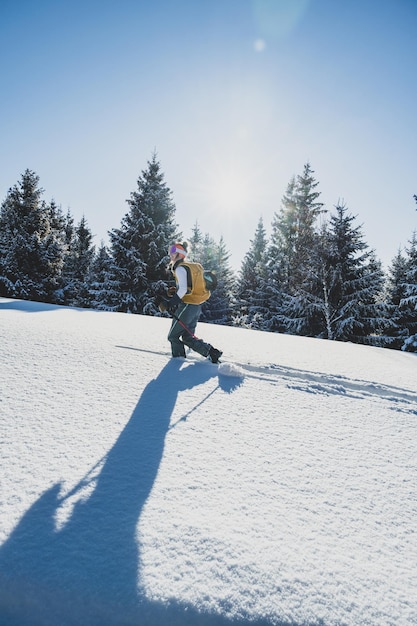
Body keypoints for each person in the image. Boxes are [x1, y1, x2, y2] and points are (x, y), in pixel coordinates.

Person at [161, 242, 223, 363]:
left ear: (180, 254)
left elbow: (183, 289)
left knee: (173, 336)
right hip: (196, 305)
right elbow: (188, 286)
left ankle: (177, 361)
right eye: (170, 251)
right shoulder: (189, 266)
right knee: (187, 337)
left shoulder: (179, 268)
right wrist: (175, 291)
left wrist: (169, 303)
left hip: (187, 306)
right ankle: (211, 352)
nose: (170, 254)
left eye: (173, 251)